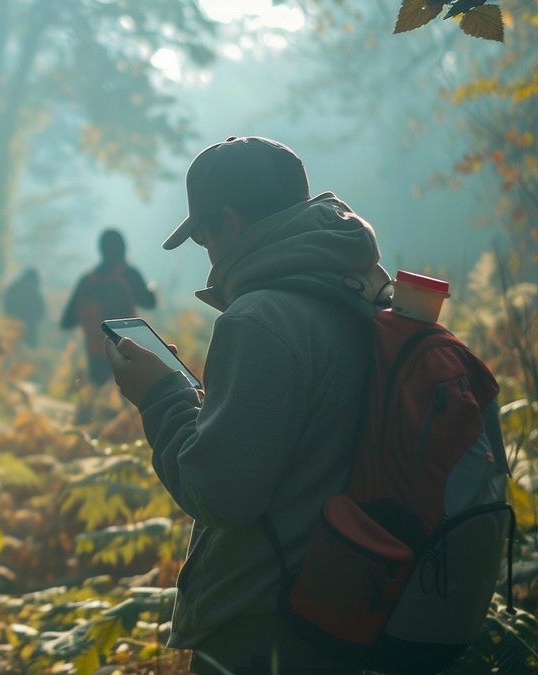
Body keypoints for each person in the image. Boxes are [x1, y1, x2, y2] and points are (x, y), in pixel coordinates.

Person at [104, 136, 390, 674]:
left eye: (201, 237)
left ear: (229, 223)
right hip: (355, 599)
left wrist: (159, 395)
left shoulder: (260, 320)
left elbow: (219, 494)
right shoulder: (362, 289)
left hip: (269, 621)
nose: (206, 254)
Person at [60, 228, 157, 387]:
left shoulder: (86, 280)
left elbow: (67, 322)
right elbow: (150, 303)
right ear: (124, 249)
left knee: (98, 398)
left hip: (96, 352)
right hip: (126, 350)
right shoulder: (129, 275)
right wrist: (153, 289)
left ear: (101, 250)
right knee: (127, 398)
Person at [3, 267, 46, 348]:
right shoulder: (34, 291)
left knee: (11, 346)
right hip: (29, 325)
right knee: (29, 349)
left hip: (13, 322)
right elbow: (41, 311)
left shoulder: (14, 287)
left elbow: (6, 304)